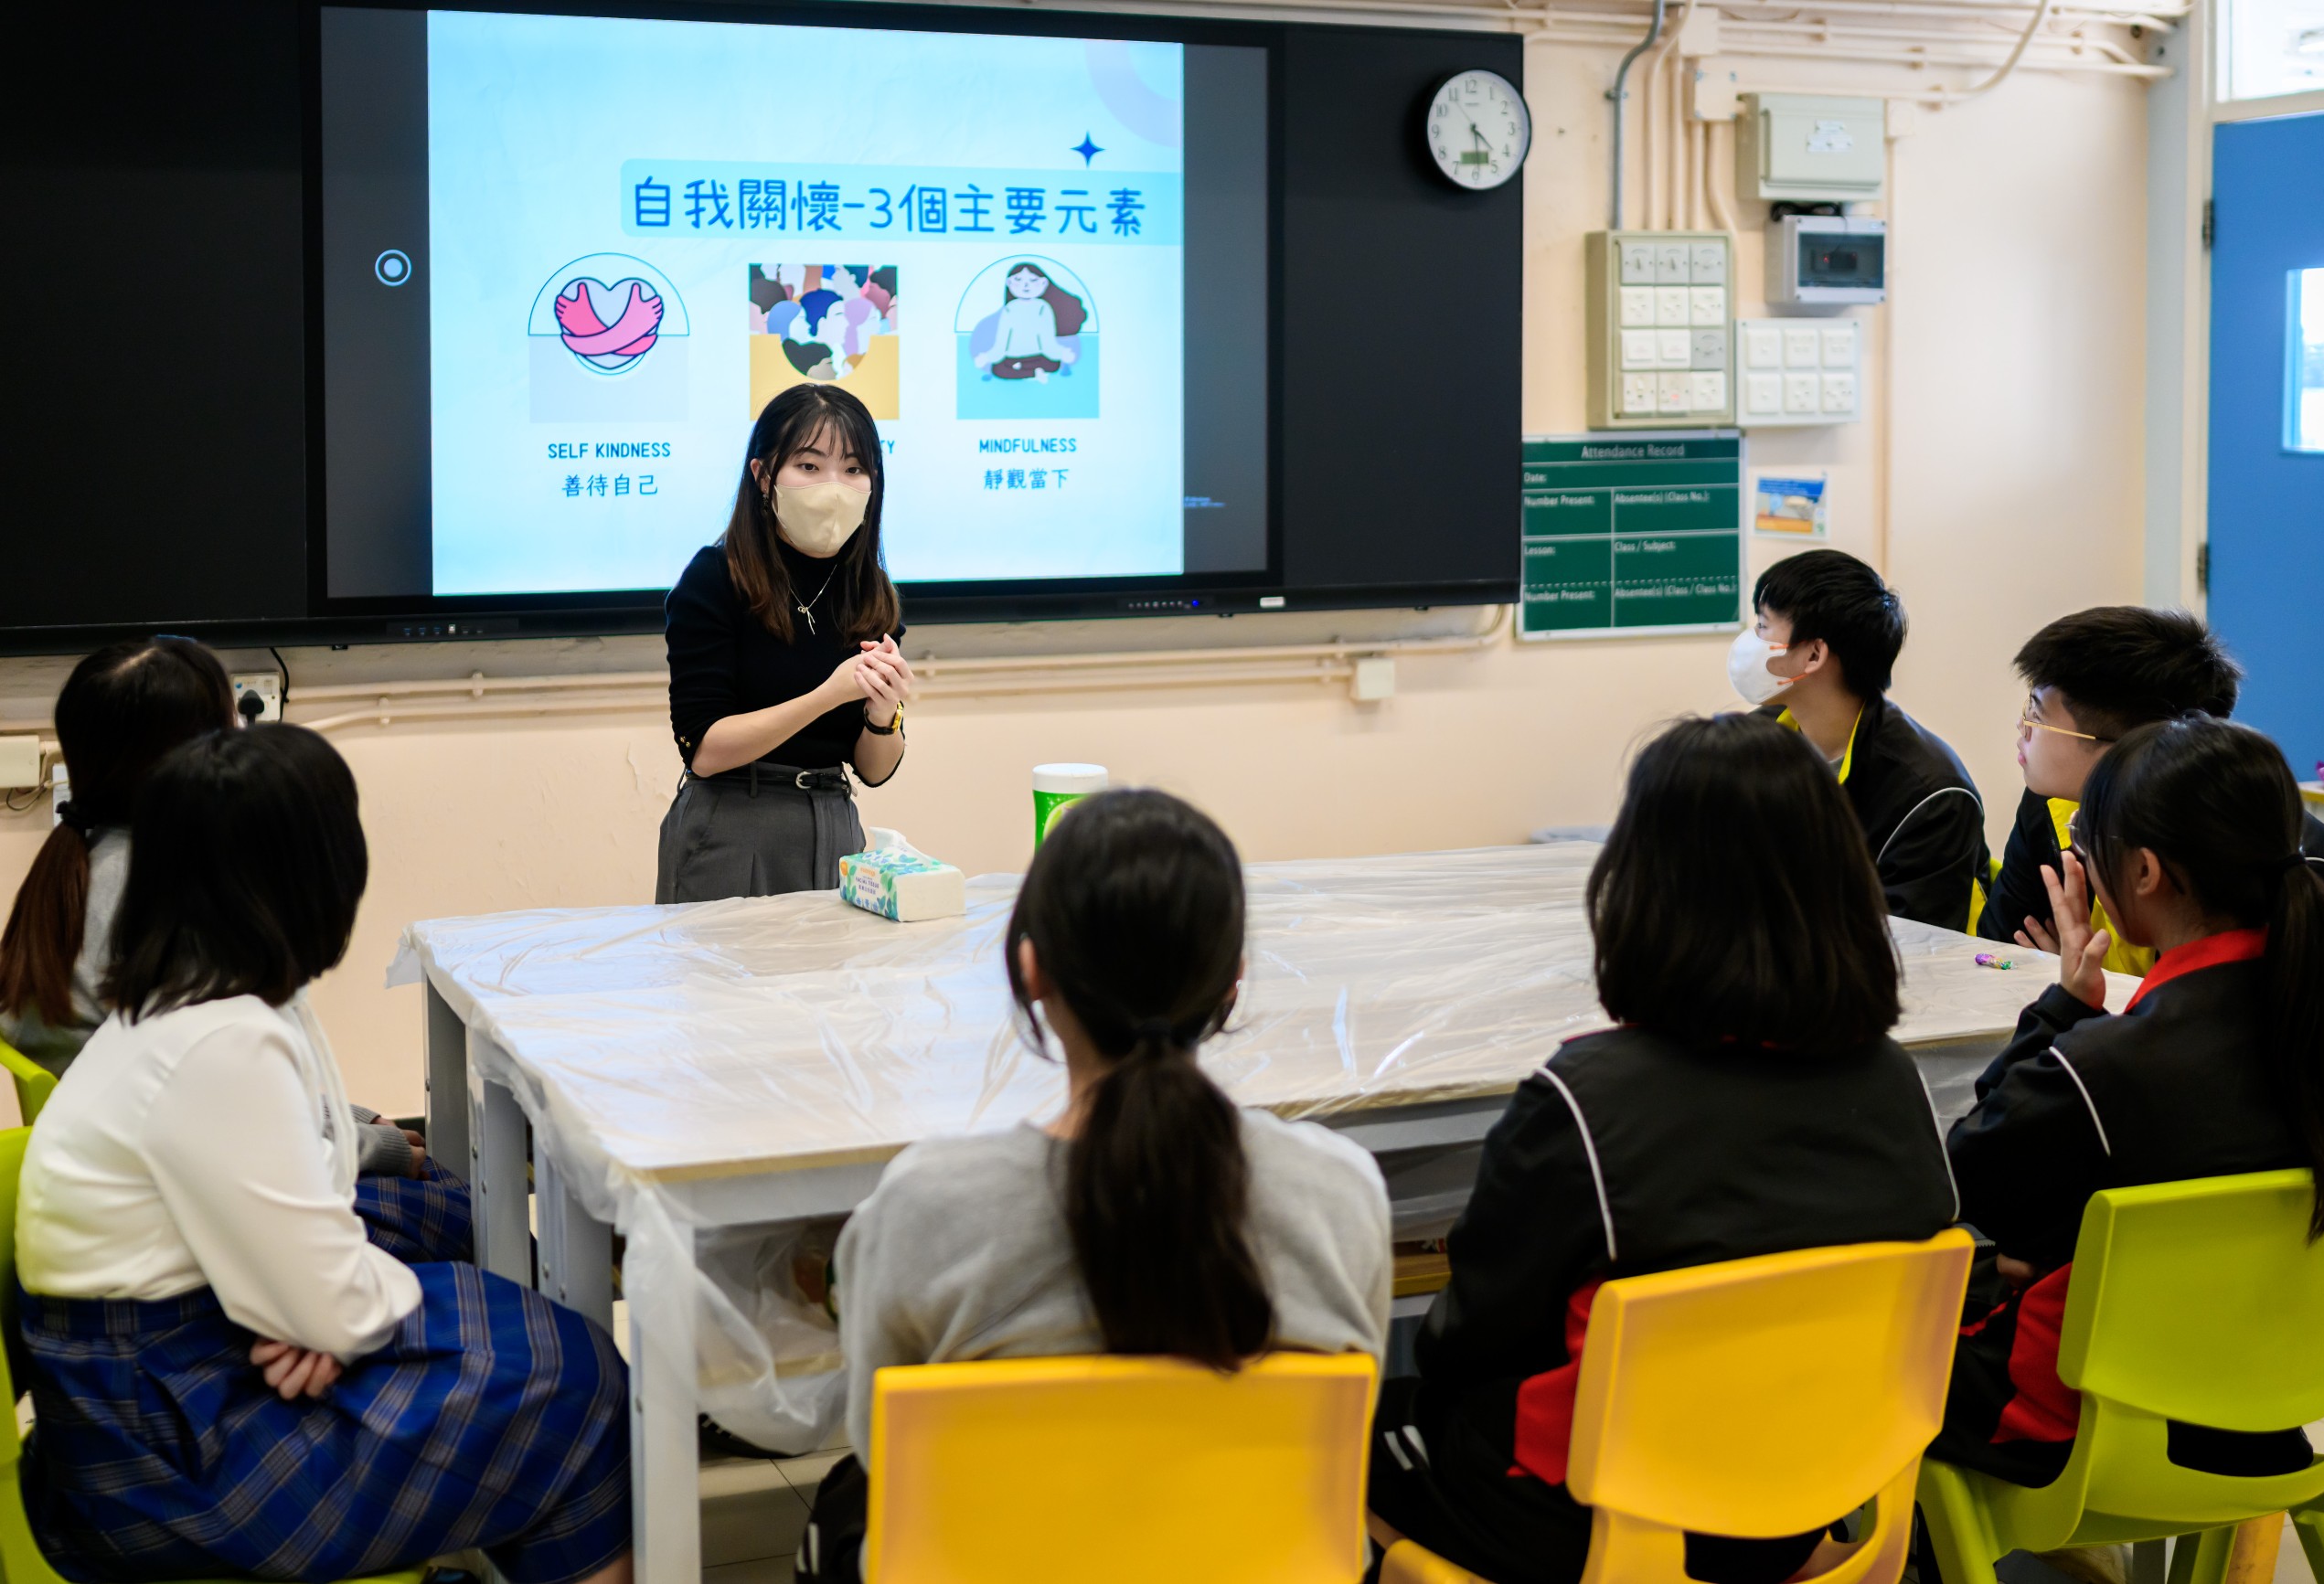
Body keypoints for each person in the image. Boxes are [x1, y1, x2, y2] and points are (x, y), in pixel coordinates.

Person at [16, 725, 630, 1583]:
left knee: (508, 1318)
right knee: (581, 1381)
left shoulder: (191, 994)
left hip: (155, 1392)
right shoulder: (222, 1040)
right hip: (173, 1454)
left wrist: (324, 1315)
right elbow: (332, 1291)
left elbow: (320, 1223)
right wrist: (328, 1319)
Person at [1368, 714, 1959, 1584]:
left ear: (1641, 886)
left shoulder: (1586, 1102)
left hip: (1592, 1526)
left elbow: (1466, 1337)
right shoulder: (1894, 1086)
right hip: (1799, 1501)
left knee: (1350, 1427)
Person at [796, 789, 1392, 1584]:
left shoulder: (925, 1205)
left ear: (1032, 969)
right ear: (1233, 981)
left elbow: (883, 1447)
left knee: (844, 1500)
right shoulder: (1341, 1193)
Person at [1934, 714, 2324, 1488]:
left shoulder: (2106, 1067)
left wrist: (2060, 1009)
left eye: (2088, 842)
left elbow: (1960, 1178)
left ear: (2143, 871)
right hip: (2267, 1415)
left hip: (2092, 1431)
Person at [0, 638, 452, 1257]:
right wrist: (377, 1146)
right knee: (460, 1210)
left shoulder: (78, 867)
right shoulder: (163, 902)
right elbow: (232, 1119)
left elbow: (226, 1088)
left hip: (141, 1189)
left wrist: (353, 1119)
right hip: (184, 1211)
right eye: (228, 729)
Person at [1974, 606, 2324, 1018]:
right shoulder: (2054, 804)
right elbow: (1995, 954)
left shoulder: (2274, 861)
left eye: (2037, 714)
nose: (2023, 727)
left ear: (2131, 748)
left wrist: (2077, 997)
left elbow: (2262, 1042)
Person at [660, 383, 916, 902]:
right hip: (734, 824)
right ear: (763, 475)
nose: (834, 486)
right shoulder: (716, 578)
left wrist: (882, 712)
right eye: (809, 466)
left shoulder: (872, 592)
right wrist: (829, 694)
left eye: (854, 469)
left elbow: (875, 769)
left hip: (835, 823)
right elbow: (705, 751)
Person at [1, 638, 232, 1076]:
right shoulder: (166, 894)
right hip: (148, 1112)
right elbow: (225, 1073)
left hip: (86, 1107)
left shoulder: (75, 861)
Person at [1731, 549, 1990, 932]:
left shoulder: (1931, 794)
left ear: (1814, 654)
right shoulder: (1757, 741)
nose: (1750, 640)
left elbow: (1912, 948)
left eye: (1763, 626)